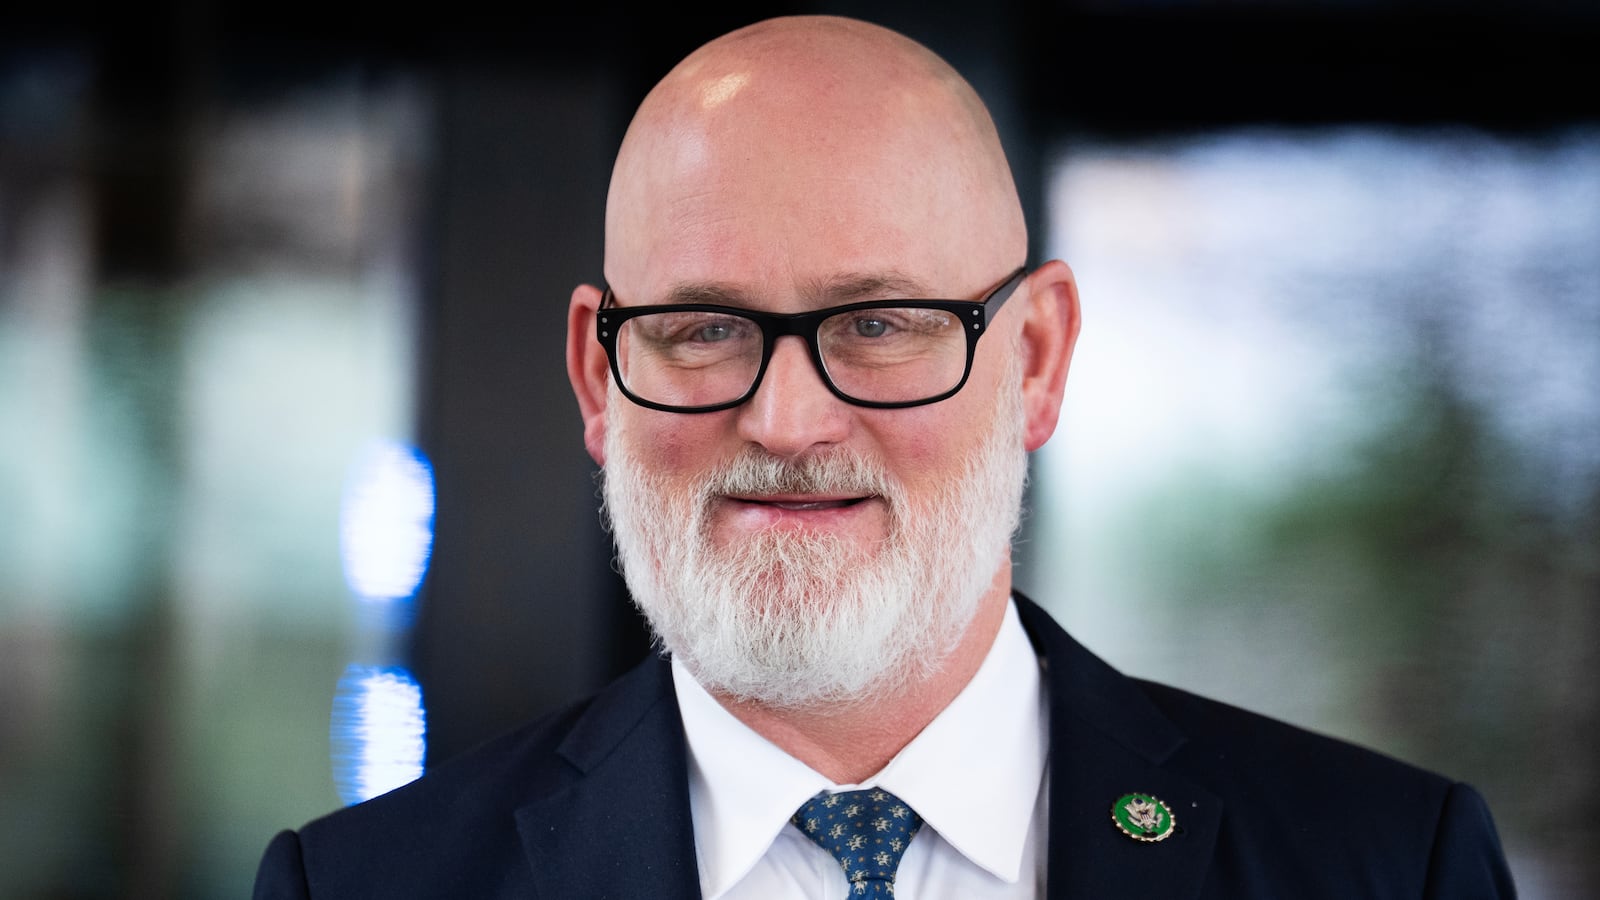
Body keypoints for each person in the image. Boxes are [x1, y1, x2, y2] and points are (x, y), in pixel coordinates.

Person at [254, 15, 1516, 898]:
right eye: (703, 329)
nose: (788, 422)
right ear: (598, 374)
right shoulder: (365, 884)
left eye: (878, 324)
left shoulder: (1384, 865)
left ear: (1035, 359)